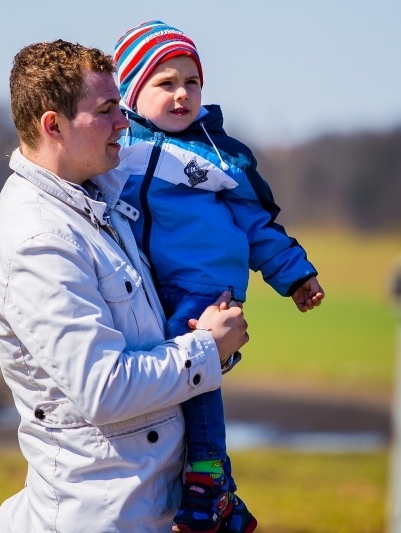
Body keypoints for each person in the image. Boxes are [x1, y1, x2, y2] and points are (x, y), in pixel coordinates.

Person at [0, 39, 249, 533]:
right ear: (53, 125)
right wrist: (207, 350)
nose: (124, 122)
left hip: (141, 509)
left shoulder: (98, 201)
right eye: (106, 111)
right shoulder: (39, 240)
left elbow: (147, 340)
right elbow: (104, 388)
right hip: (99, 518)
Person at [114, 21, 325, 533]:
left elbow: (258, 223)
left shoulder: (217, 153)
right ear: (131, 92)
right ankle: (223, 499)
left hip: (205, 289)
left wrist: (295, 275)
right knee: (159, 387)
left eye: (192, 81)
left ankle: (207, 480)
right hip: (147, 288)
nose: (183, 93)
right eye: (165, 83)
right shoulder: (117, 148)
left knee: (199, 361)